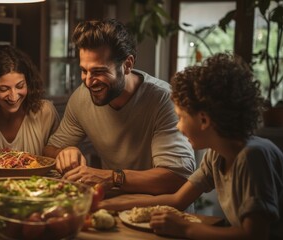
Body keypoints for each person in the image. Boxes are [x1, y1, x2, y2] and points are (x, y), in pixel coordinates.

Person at [100, 53, 283, 239]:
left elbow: (255, 235)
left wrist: (185, 228)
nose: (178, 126)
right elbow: (176, 200)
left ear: (203, 119)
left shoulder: (252, 157)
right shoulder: (216, 155)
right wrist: (105, 204)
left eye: (180, 117)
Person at [43, 19, 196, 195]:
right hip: (115, 208)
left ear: (128, 65)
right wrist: (64, 151)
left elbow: (176, 178)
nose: (88, 81)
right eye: (84, 71)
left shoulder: (164, 100)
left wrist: (110, 178)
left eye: (99, 72)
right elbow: (48, 150)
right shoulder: (81, 97)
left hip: (165, 213)